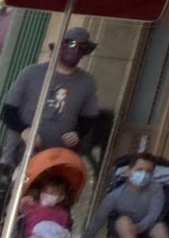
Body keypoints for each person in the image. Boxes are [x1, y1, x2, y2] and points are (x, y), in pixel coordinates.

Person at [0, 28, 100, 168]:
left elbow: (89, 118)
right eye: (71, 44)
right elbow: (7, 110)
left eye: (81, 47)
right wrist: (24, 130)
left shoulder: (87, 82)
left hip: (55, 159)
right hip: (18, 155)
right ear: (60, 46)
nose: (75, 50)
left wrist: (77, 133)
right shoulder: (31, 73)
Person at [79, 152, 169, 238]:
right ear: (128, 172)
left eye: (148, 171)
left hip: (148, 226)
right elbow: (97, 221)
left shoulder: (156, 190)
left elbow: (154, 213)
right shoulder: (115, 196)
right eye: (139, 170)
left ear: (152, 176)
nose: (144, 174)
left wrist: (140, 227)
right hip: (124, 231)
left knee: (159, 226)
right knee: (123, 221)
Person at [19, 173, 72, 238]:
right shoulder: (33, 205)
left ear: (60, 197)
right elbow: (18, 211)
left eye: (52, 193)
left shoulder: (62, 214)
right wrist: (23, 201)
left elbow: (62, 231)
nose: (47, 194)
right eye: (45, 191)